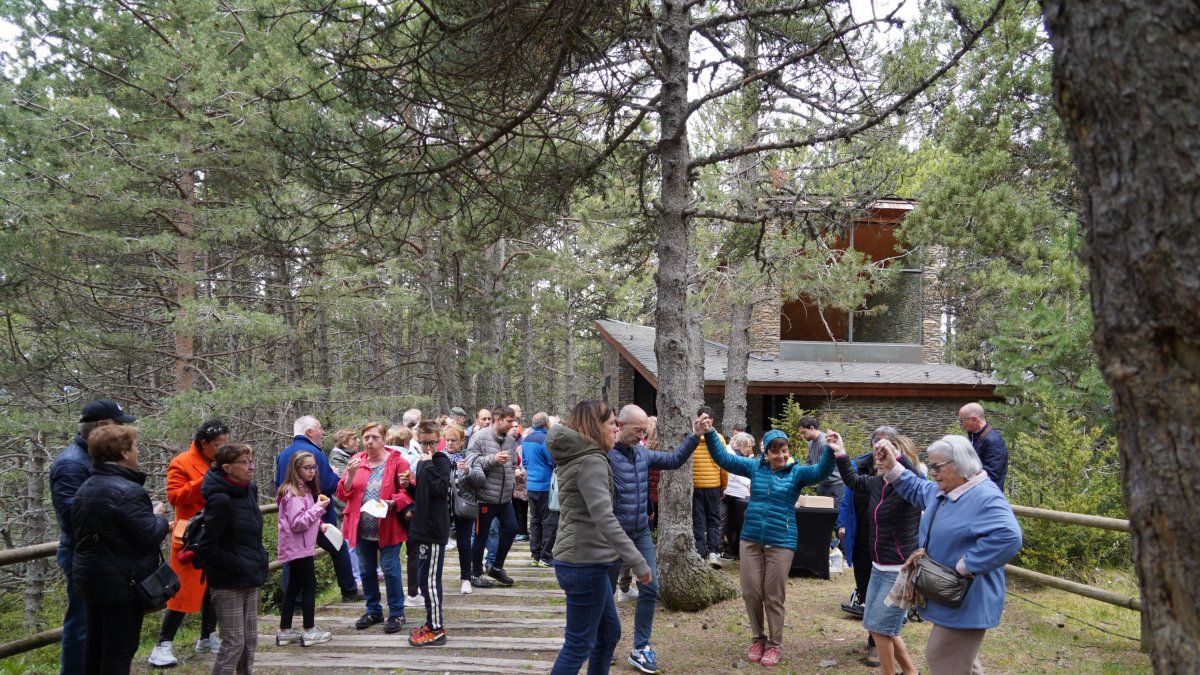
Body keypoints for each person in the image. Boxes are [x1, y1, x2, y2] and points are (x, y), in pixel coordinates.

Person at [876, 435, 1023, 674]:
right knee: (960, 661)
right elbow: (917, 488)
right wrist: (893, 465)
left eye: (937, 466)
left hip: (970, 599)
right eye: (930, 465)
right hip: (953, 597)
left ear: (960, 464)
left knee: (942, 657)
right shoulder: (946, 490)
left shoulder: (984, 497)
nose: (932, 472)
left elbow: (1009, 536)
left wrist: (966, 565)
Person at [700, 423, 835, 668]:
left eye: (784, 450)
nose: (781, 455)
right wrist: (709, 433)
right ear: (766, 454)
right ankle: (757, 639)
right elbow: (723, 458)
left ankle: (774, 644)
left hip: (781, 541)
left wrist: (832, 449)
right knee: (751, 592)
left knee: (773, 595)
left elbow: (821, 470)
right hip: (750, 539)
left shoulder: (797, 473)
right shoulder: (755, 467)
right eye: (775, 451)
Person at [548, 400, 652, 675]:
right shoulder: (591, 461)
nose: (616, 429)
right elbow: (604, 518)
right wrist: (638, 562)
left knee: (608, 634)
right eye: (611, 424)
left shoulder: (584, 456)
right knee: (578, 645)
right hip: (585, 563)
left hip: (585, 560)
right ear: (596, 426)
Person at [609, 404, 702, 674]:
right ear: (621, 425)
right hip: (612, 535)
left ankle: (641, 648)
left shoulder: (642, 453)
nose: (641, 436)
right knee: (605, 594)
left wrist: (695, 436)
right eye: (637, 430)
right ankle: (602, 644)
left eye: (644, 431)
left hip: (639, 532)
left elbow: (673, 461)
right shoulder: (605, 456)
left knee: (651, 587)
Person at [70, 424, 168, 675]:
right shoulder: (128, 491)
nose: (137, 452)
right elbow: (149, 535)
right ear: (124, 453)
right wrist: (157, 516)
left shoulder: (86, 487)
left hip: (92, 580)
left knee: (95, 648)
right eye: (134, 447)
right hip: (122, 584)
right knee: (118, 653)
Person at [50, 398, 136, 675]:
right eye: (119, 425)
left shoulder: (90, 459)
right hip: (83, 555)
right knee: (81, 625)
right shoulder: (71, 464)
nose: (123, 431)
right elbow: (73, 516)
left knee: (98, 626)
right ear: (101, 426)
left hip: (103, 555)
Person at [830, 432, 922, 675]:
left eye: (884, 459)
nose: (877, 463)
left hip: (901, 570)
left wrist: (895, 455)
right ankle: (911, 672)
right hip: (878, 567)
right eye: (876, 459)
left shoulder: (911, 489)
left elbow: (916, 476)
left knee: (882, 628)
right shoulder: (875, 484)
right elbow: (851, 479)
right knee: (874, 624)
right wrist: (840, 450)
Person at [149, 419, 229, 668]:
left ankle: (207, 636)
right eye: (218, 445)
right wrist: (206, 480)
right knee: (182, 591)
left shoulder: (222, 461)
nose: (222, 448)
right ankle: (163, 645)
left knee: (215, 587)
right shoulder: (181, 462)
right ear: (203, 443)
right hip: (190, 536)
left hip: (217, 533)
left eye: (226, 444)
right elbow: (174, 496)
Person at [196, 443, 270, 675]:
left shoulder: (249, 489)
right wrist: (237, 565)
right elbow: (207, 547)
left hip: (250, 575)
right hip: (228, 581)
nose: (251, 466)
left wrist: (259, 560)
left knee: (250, 642)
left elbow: (252, 535)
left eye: (252, 461)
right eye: (244, 463)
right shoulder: (220, 500)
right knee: (234, 643)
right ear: (227, 467)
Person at [336, 422, 414, 634]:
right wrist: (350, 475)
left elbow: (409, 492)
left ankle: (397, 612)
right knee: (366, 570)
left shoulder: (397, 462)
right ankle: (373, 610)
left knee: (390, 569)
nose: (370, 442)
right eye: (366, 438)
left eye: (374, 437)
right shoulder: (356, 461)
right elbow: (343, 494)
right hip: (361, 528)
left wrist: (391, 503)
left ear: (384, 439)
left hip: (388, 526)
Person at [276, 416, 362, 602]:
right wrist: (336, 474)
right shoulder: (313, 453)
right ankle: (349, 590)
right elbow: (331, 485)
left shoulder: (283, 454)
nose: (323, 433)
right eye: (320, 429)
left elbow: (279, 487)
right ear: (309, 432)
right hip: (317, 514)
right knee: (338, 546)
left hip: (291, 515)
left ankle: (293, 603)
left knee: (291, 558)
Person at [837, 425, 900, 666]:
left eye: (885, 442)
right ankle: (876, 639)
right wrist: (842, 524)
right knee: (866, 591)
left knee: (887, 598)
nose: (879, 447)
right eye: (876, 442)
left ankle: (879, 645)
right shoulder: (860, 466)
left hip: (890, 544)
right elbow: (848, 496)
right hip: (863, 539)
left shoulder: (903, 471)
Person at [275, 451, 333, 647]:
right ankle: (309, 630)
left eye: (314, 467)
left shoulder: (304, 490)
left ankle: (285, 630)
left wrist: (320, 524)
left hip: (300, 546)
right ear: (296, 469)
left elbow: (305, 517)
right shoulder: (292, 493)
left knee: (293, 587)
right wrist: (319, 508)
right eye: (307, 468)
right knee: (309, 586)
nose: (312, 471)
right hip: (297, 548)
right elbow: (298, 523)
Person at [406, 421, 453, 646]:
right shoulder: (423, 463)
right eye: (423, 443)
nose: (427, 448)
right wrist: (407, 486)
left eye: (431, 443)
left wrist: (430, 463)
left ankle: (436, 629)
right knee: (424, 581)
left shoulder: (440, 461)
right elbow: (423, 493)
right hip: (421, 528)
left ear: (439, 439)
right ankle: (430, 621)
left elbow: (441, 490)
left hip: (434, 530)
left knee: (431, 582)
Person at [466, 404, 520, 587]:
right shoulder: (479, 437)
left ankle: (496, 567)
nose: (513, 425)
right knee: (481, 536)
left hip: (505, 498)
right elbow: (471, 462)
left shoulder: (511, 441)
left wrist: (513, 478)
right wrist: (492, 459)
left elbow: (512, 464)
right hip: (485, 497)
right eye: (510, 421)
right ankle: (475, 574)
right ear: (499, 420)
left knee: (512, 529)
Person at [445, 424, 486, 594]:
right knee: (439, 543)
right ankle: (433, 579)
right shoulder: (440, 457)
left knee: (463, 543)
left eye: (453, 440)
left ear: (462, 441)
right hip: (443, 506)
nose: (449, 443)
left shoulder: (471, 458)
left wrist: (468, 470)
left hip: (464, 506)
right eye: (447, 440)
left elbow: (481, 479)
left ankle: (466, 578)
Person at [691, 405, 727, 566]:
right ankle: (714, 551)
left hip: (695, 484)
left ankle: (699, 551)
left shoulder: (693, 437)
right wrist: (723, 487)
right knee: (713, 519)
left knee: (698, 519)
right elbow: (724, 465)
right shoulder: (718, 438)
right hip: (713, 484)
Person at [523, 412, 557, 567]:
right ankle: (546, 556)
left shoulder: (526, 439)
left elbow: (524, 461)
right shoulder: (546, 440)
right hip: (545, 486)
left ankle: (535, 555)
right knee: (550, 521)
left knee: (535, 520)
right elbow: (552, 461)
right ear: (546, 424)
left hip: (531, 485)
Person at [720, 432, 755, 562]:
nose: (749, 449)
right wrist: (749, 483)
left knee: (731, 523)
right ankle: (718, 549)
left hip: (736, 494)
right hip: (727, 492)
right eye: (747, 446)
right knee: (722, 521)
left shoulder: (740, 455)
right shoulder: (730, 453)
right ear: (740, 444)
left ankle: (729, 549)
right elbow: (734, 472)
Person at [958, 403, 1009, 491]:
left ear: (974, 419)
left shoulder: (994, 441)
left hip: (987, 496)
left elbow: (991, 475)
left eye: (962, 420)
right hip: (974, 492)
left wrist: (962, 480)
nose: (961, 424)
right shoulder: (974, 436)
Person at [800, 415, 844, 503]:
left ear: (811, 428)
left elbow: (822, 467)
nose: (802, 436)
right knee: (821, 514)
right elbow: (808, 463)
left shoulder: (825, 442)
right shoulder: (811, 443)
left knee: (835, 515)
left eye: (803, 432)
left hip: (836, 485)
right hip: (822, 485)